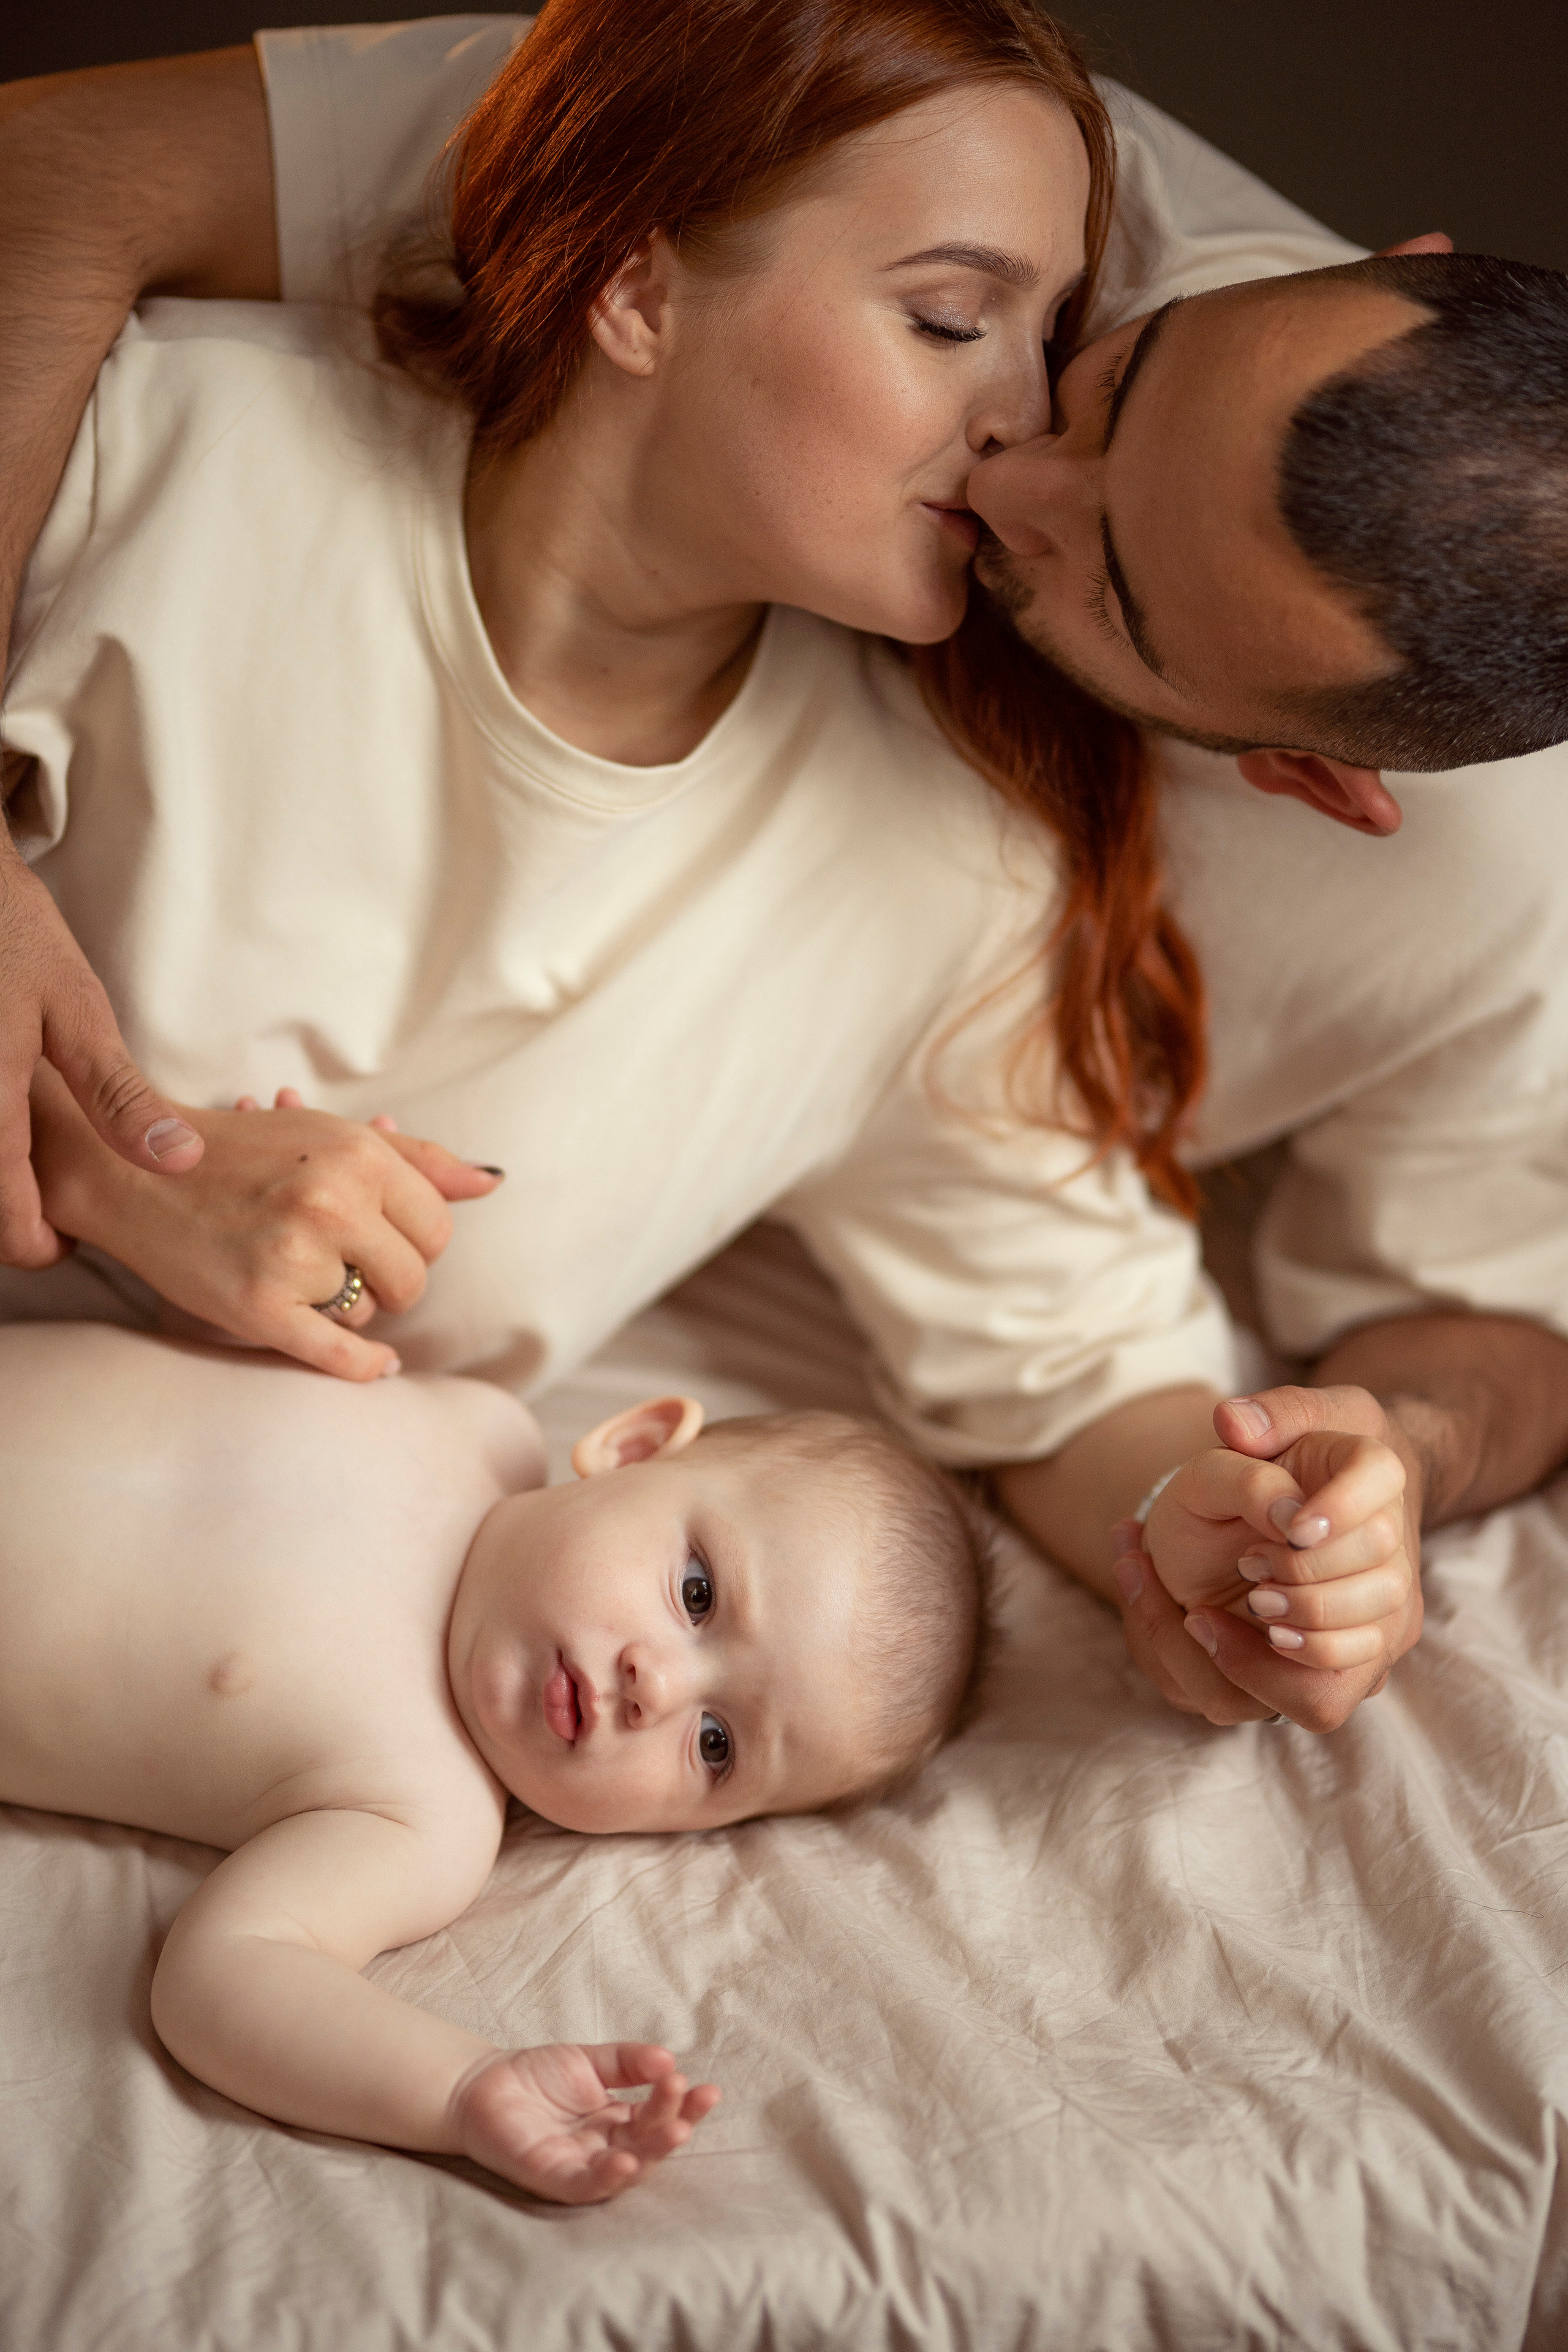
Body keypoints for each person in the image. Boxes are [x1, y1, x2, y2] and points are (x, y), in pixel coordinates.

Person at [2, 5, 1566, 1741]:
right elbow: (64, 172)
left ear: (1276, 763)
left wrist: (1253, 1523)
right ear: (639, 282)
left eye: (1041, 336)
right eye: (970, 325)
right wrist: (114, 1159)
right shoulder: (170, 457)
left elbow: (1084, 1378)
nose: (1019, 446)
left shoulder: (941, 885)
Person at [0, 1321, 998, 2202]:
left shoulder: (424, 1815)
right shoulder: (470, 1420)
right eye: (697, 1594)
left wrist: (463, 2090)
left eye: (715, 1745)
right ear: (634, 1447)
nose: (659, 1686)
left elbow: (224, 1977)